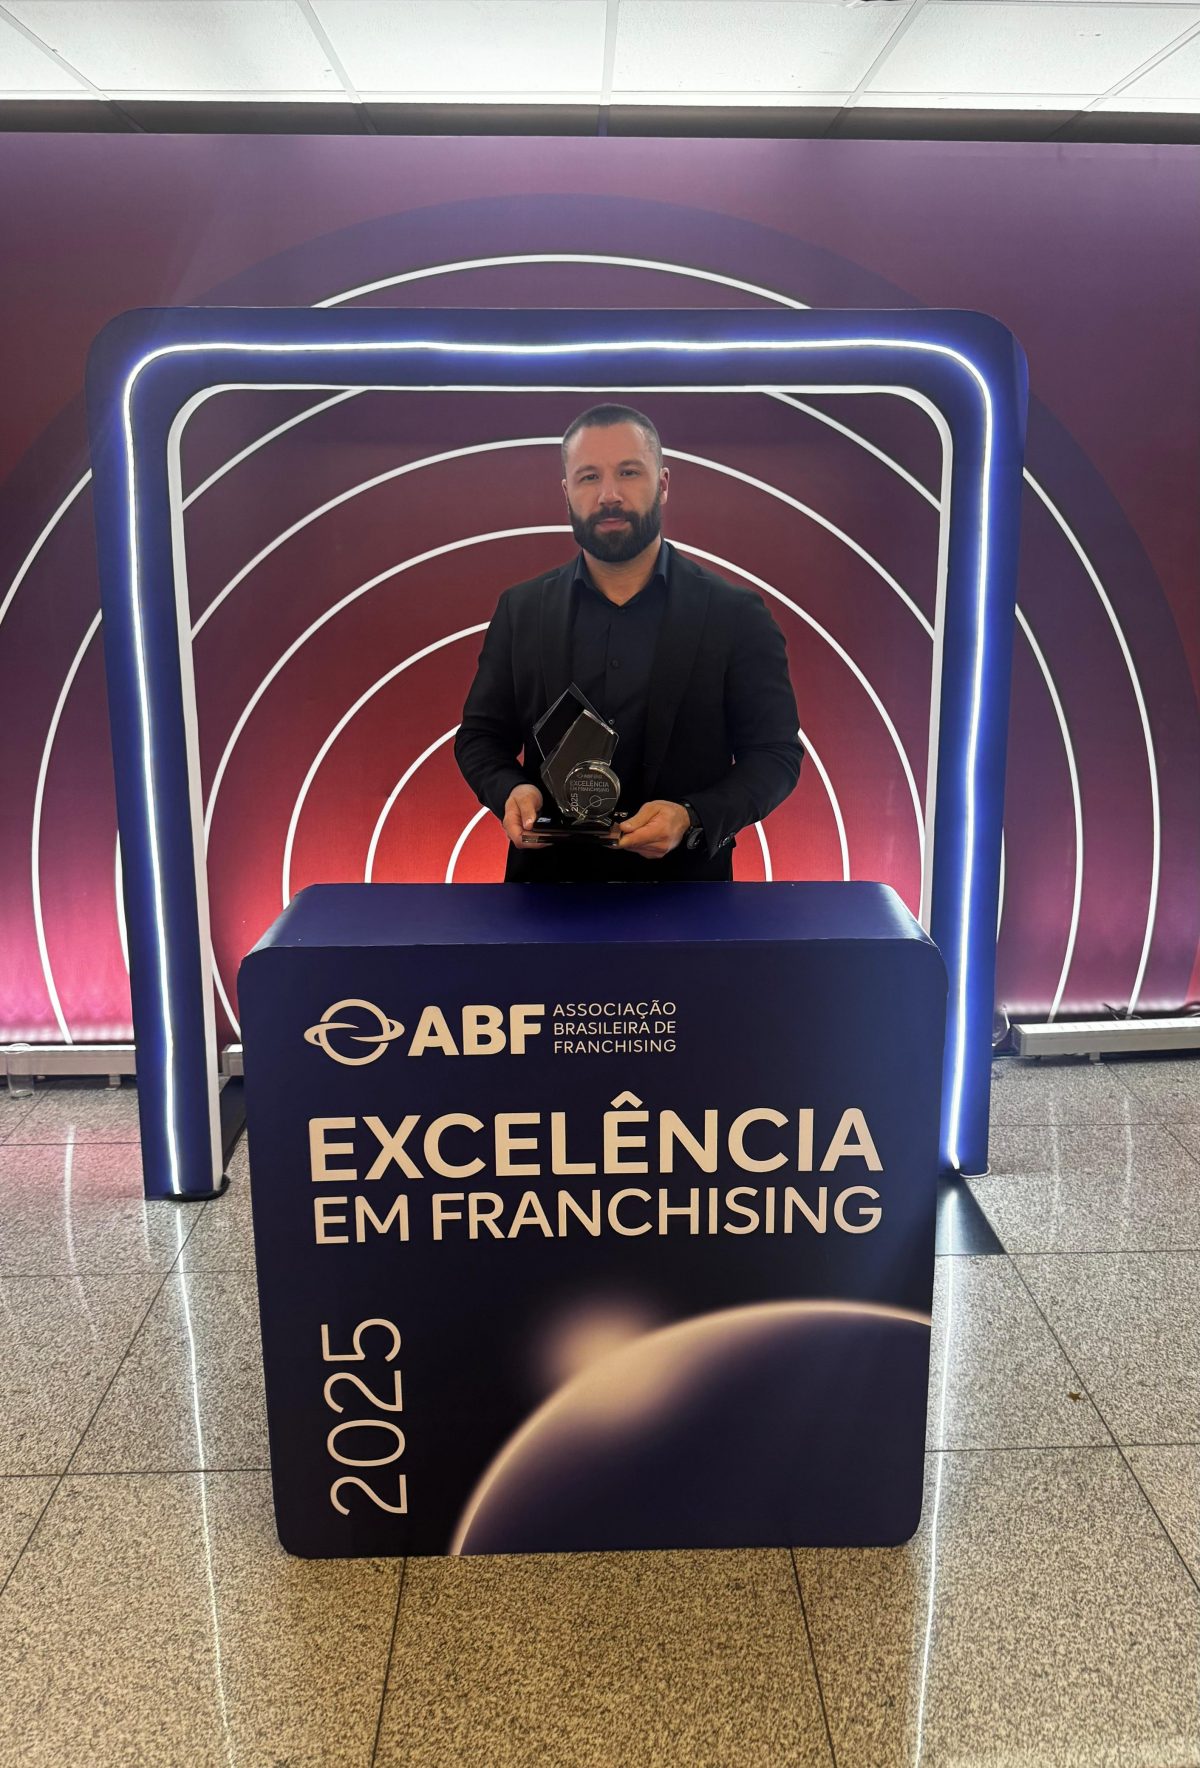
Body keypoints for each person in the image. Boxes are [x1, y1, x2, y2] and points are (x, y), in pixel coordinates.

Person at [454, 404, 803, 882]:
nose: (609, 495)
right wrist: (509, 790)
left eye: (628, 472)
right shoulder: (521, 610)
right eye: (589, 477)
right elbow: (480, 739)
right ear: (567, 493)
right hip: (544, 895)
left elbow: (775, 754)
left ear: (663, 483)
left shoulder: (737, 614)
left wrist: (692, 816)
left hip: (688, 898)